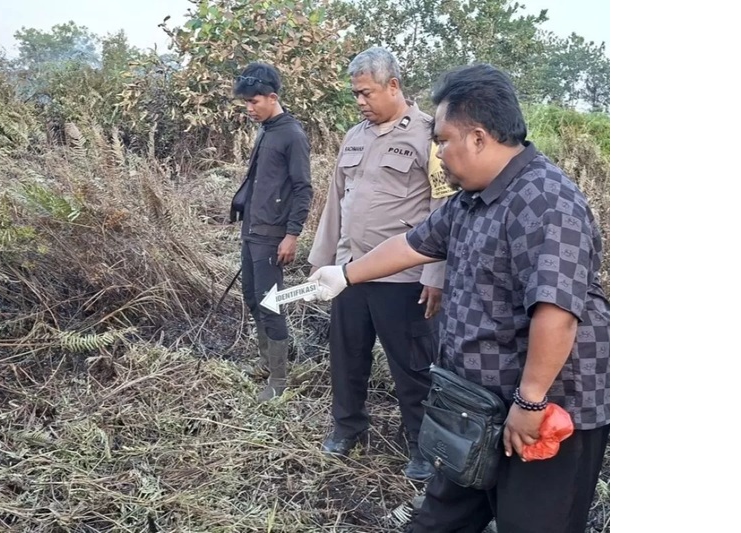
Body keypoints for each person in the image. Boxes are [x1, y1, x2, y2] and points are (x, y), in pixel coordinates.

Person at [307, 63, 610, 533]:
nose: (439, 154)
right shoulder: (472, 198)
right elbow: (414, 243)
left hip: (549, 409)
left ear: (478, 137)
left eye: (444, 141)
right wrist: (345, 275)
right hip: (478, 404)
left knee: (533, 523)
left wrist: (530, 403)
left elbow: (557, 311)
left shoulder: (547, 200)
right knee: (438, 519)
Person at [307, 46, 455, 481]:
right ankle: (347, 429)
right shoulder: (354, 137)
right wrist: (321, 262)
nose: (360, 102)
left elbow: (442, 207)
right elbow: (336, 201)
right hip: (348, 273)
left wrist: (436, 276)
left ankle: (422, 448)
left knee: (411, 367)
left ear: (394, 86)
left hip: (403, 278)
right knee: (346, 357)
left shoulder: (430, 136)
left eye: (366, 93)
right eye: (355, 94)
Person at [229, 62, 312, 401]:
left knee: (271, 304)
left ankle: (279, 380)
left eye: (254, 102)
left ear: (273, 97)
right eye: (245, 103)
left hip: (272, 235)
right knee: (252, 298)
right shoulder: (266, 130)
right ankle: (266, 362)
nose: (249, 109)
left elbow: (304, 188)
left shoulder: (292, 134)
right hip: (252, 231)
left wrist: (292, 234)